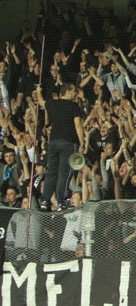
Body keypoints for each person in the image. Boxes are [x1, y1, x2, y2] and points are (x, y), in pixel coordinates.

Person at [37, 82, 85, 211]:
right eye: (74, 90)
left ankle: (45, 201)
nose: (76, 93)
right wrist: (82, 143)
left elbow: (41, 102)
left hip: (53, 142)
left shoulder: (52, 104)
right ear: (68, 91)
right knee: (64, 173)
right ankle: (61, 202)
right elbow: (78, 125)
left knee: (51, 172)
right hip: (69, 142)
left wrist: (38, 91)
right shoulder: (74, 106)